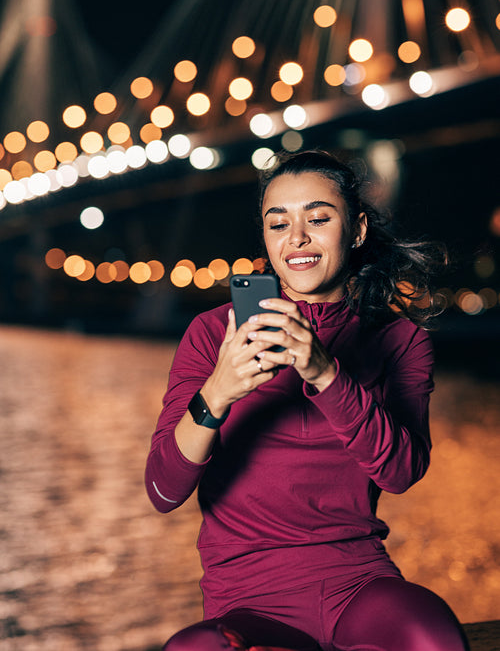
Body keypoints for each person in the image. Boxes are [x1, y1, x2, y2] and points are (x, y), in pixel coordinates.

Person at [145, 151, 469, 651]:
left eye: (318, 218)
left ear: (356, 230)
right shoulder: (213, 334)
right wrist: (220, 389)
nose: (296, 237)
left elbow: (401, 472)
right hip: (247, 599)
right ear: (266, 239)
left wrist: (324, 372)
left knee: (432, 636)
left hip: (357, 584)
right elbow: (163, 491)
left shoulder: (399, 338)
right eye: (278, 224)